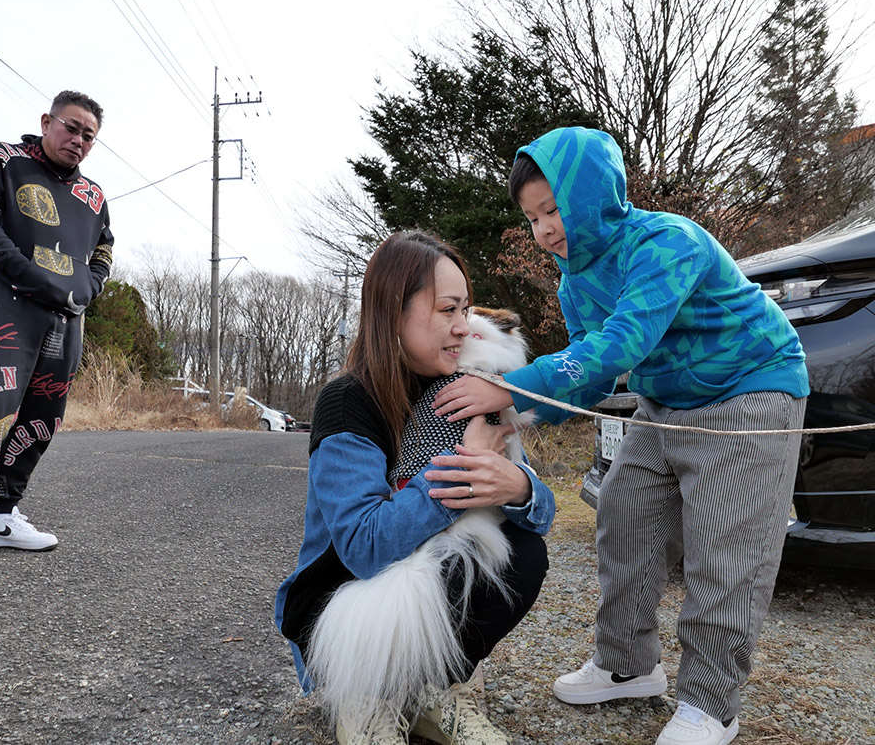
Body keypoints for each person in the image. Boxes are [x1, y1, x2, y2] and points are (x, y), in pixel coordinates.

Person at [432, 127, 808, 745]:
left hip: (751, 388)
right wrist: (513, 414)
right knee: (624, 513)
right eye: (531, 218)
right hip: (665, 401)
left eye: (554, 209)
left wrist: (512, 386)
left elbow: (622, 342)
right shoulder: (574, 278)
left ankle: (711, 704)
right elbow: (587, 367)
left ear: (592, 196)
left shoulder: (666, 242)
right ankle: (628, 665)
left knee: (726, 546)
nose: (544, 229)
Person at [274, 231, 555, 745]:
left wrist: (515, 485)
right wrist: (463, 468)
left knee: (523, 551)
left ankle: (434, 691)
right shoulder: (347, 402)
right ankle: (365, 700)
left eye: (466, 311)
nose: (462, 327)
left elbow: (541, 511)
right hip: (337, 599)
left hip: (411, 589)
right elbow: (363, 546)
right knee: (462, 554)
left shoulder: (465, 385)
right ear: (392, 313)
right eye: (448, 310)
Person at [0, 90, 114, 572]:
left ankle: (1, 514)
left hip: (65, 316)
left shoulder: (93, 195)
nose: (78, 140)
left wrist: (88, 287)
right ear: (46, 120)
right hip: (5, 299)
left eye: (89, 135)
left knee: (43, 416)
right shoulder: (1, 158)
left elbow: (104, 249)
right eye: (71, 126)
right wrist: (25, 271)